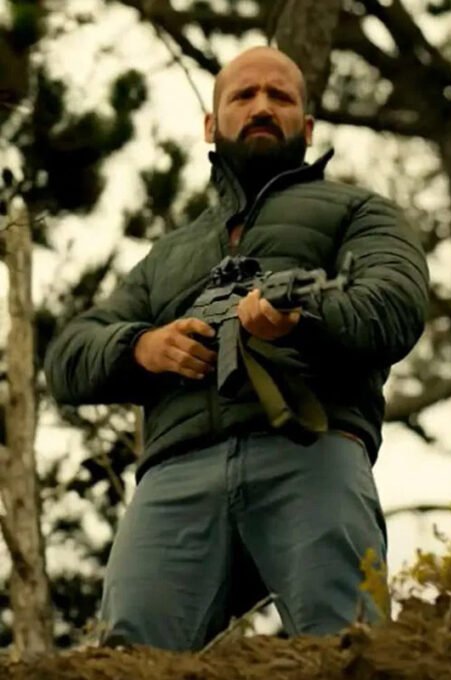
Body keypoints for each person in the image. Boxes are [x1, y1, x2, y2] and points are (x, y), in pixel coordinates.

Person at [44, 45, 429, 651]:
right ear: (210, 124)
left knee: (347, 644)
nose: (262, 107)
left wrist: (298, 322)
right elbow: (68, 356)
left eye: (280, 96)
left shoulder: (361, 212)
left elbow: (395, 306)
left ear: (307, 127)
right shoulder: (168, 257)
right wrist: (143, 347)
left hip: (312, 453)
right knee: (131, 655)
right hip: (176, 476)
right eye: (243, 95)